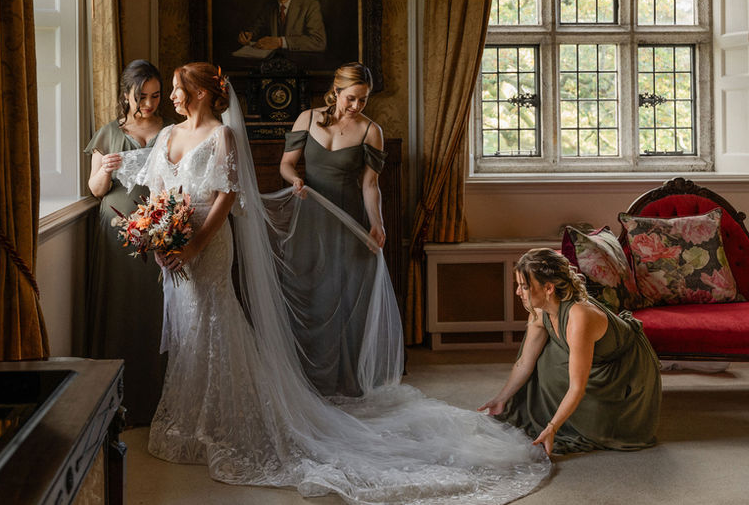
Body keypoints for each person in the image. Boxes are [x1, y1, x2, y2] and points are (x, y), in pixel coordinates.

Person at [109, 61, 550, 504]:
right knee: (187, 328)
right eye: (351, 96)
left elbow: (231, 195)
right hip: (186, 240)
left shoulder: (225, 135)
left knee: (220, 321)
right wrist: (161, 236)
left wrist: (194, 245)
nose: (170, 97)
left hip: (220, 241)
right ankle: (191, 420)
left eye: (177, 89)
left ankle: (242, 414)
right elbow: (161, 192)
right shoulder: (171, 134)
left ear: (202, 92)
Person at [278, 62, 394, 396]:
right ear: (336, 90)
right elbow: (286, 165)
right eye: (351, 98)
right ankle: (308, 380)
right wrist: (295, 180)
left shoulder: (371, 131)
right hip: (310, 221)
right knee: (311, 296)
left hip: (348, 222)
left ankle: (343, 381)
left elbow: (370, 185)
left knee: (344, 300)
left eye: (363, 100)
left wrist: (377, 223)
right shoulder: (307, 118)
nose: (357, 106)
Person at [479, 248, 662, 455]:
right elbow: (524, 362)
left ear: (549, 288)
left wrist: (552, 427)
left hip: (624, 370)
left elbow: (577, 387)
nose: (518, 292)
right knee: (542, 357)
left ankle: (585, 418)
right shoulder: (539, 310)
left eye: (524, 286)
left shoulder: (580, 317)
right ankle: (550, 412)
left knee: (592, 417)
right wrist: (501, 399)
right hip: (597, 358)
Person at [83, 59, 170, 425]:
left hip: (159, 229)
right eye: (141, 97)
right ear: (126, 95)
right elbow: (95, 190)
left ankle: (155, 399)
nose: (148, 104)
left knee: (156, 312)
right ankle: (117, 402)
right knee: (120, 309)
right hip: (116, 230)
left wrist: (168, 220)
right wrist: (105, 170)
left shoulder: (171, 131)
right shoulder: (109, 133)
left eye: (155, 96)